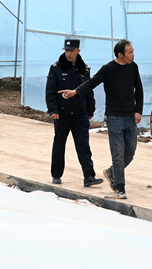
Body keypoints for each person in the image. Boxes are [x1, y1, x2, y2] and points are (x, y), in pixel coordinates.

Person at [58, 39, 143, 199]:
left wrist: (138, 111)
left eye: (133, 51)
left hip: (130, 116)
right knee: (118, 153)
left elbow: (138, 89)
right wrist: (75, 92)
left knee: (130, 152)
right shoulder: (108, 69)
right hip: (114, 117)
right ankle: (119, 187)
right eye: (130, 52)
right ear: (120, 54)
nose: (133, 54)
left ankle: (111, 172)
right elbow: (91, 83)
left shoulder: (133, 67)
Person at [45, 39, 104, 188]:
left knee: (83, 146)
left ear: (78, 51)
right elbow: (50, 91)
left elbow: (88, 90)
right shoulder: (56, 68)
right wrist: (53, 110)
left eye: (72, 51)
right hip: (62, 114)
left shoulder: (84, 69)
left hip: (80, 115)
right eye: (66, 51)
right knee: (59, 145)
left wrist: (90, 110)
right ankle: (56, 174)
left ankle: (89, 176)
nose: (69, 54)